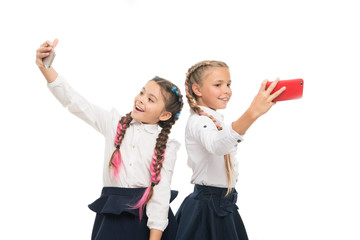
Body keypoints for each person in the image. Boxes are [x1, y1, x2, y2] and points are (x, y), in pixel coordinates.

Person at [35, 39, 183, 240]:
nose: (140, 99)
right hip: (112, 221)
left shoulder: (166, 146)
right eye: (142, 92)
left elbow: (161, 195)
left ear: (164, 115)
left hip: (146, 227)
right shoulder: (114, 124)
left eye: (150, 99)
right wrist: (47, 68)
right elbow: (75, 102)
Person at [175, 60, 286, 240]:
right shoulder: (199, 121)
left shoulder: (213, 119)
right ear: (197, 90)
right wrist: (252, 113)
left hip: (223, 204)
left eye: (228, 84)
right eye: (218, 85)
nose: (226, 90)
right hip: (207, 209)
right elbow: (217, 145)